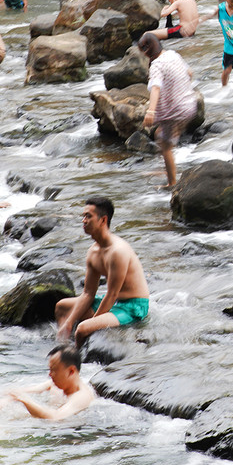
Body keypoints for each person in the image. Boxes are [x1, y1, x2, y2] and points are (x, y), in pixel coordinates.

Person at [54, 197, 150, 342]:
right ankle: (63, 344)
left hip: (132, 307)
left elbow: (112, 294)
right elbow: (88, 293)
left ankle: (78, 359)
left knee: (82, 328)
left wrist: (92, 323)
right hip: (115, 302)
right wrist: (68, 323)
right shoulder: (93, 251)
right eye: (83, 216)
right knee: (62, 307)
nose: (83, 221)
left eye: (88, 216)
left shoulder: (118, 251)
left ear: (103, 220)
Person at [138, 33, 198, 188]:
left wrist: (150, 111)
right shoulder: (173, 54)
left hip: (176, 111)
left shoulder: (157, 65)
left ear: (147, 51)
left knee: (165, 146)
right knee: (160, 134)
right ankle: (167, 168)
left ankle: (172, 183)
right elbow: (189, 73)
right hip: (190, 105)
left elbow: (156, 88)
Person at [0, 345, 96, 421]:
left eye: (54, 370)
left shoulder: (81, 396)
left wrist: (25, 400)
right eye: (50, 370)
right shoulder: (56, 384)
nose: (50, 374)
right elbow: (17, 393)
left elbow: (56, 417)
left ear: (71, 371)